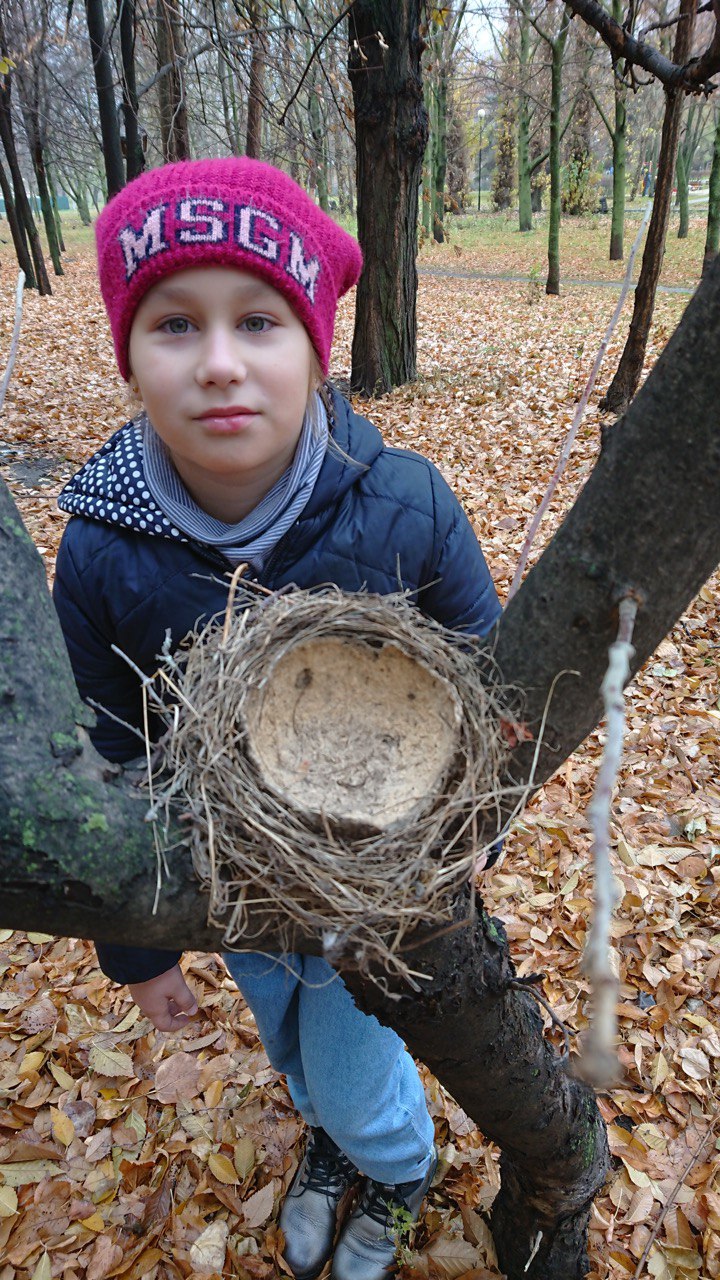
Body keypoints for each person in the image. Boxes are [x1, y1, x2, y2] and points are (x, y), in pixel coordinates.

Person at [53, 157, 501, 1280]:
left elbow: (493, 682)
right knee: (292, 1045)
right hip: (232, 891)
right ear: (128, 351)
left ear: (315, 341)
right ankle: (334, 1136)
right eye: (173, 324)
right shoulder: (105, 548)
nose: (218, 363)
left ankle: (393, 1161)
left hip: (380, 897)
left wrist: (475, 831)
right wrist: (140, 947)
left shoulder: (404, 504)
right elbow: (108, 744)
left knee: (355, 1064)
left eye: (258, 320)